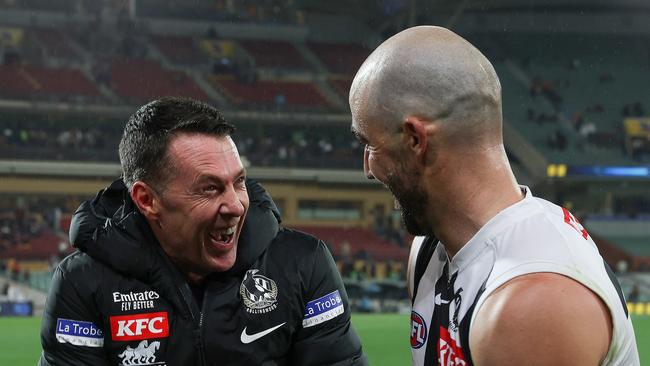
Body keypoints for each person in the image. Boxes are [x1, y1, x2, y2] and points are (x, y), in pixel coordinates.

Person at [349, 26, 639, 366]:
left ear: (416, 139)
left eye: (370, 143)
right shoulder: (430, 250)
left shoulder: (531, 304)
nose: (368, 167)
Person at [40, 97, 367, 365]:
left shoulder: (302, 263)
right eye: (210, 188)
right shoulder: (84, 282)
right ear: (147, 199)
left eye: (238, 181)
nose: (236, 206)